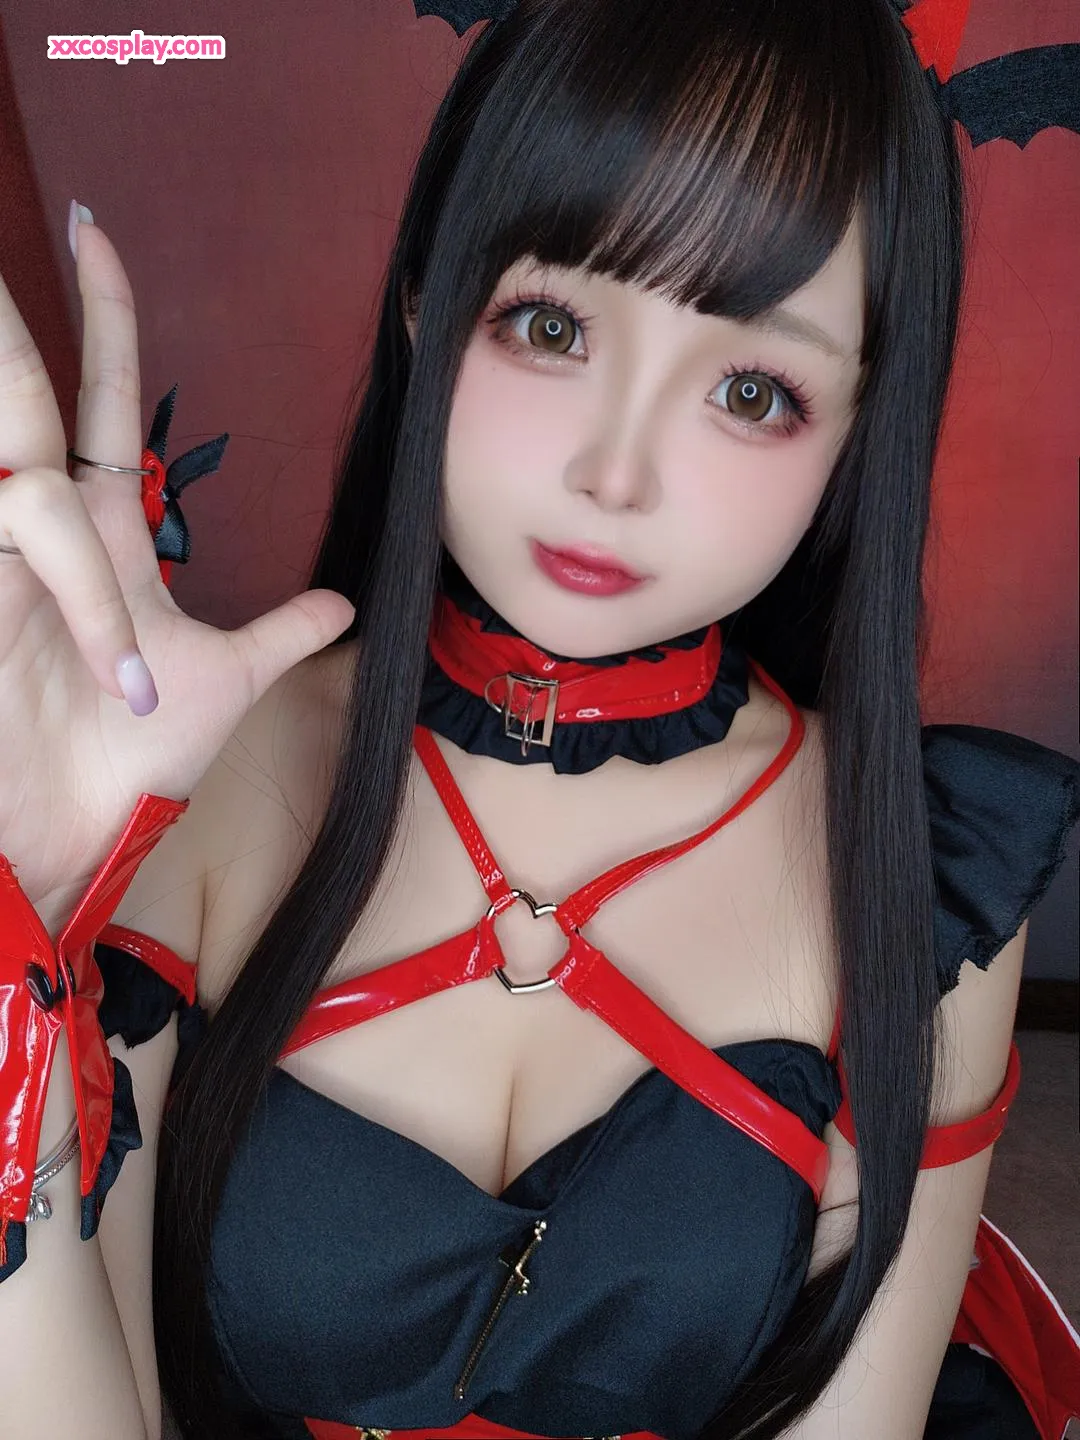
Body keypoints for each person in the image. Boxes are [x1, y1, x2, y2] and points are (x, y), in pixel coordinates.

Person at [0, 0, 1077, 1437]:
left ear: (860, 421)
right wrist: (21, 926)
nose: (615, 474)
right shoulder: (201, 774)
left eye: (752, 389)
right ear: (427, 304)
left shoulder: (928, 874)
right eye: (552, 325)